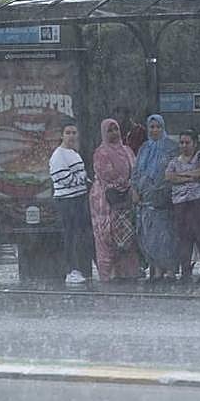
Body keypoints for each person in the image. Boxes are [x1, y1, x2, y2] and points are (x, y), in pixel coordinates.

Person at [89, 118, 140, 281]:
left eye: (116, 129)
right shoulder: (101, 153)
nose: (114, 133)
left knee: (126, 234)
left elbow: (135, 171)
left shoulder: (127, 150)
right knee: (106, 235)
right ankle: (108, 274)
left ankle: (127, 272)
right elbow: (107, 175)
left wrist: (129, 188)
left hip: (127, 198)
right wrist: (123, 186)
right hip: (105, 199)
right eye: (109, 130)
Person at [132, 114, 180, 282]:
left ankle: (170, 270)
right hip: (146, 200)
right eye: (151, 127)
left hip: (164, 199)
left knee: (166, 236)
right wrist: (136, 190)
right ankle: (157, 269)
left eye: (158, 127)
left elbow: (174, 170)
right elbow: (136, 172)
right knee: (149, 235)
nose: (155, 130)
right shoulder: (144, 148)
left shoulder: (171, 147)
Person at [165, 130, 200, 283]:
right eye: (181, 142)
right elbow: (169, 176)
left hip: (198, 203)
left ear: (195, 143)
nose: (184, 145)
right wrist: (192, 175)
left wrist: (182, 176)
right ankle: (185, 272)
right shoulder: (174, 161)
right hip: (180, 204)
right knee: (184, 239)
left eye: (187, 142)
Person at [50, 122, 90, 285]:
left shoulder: (74, 153)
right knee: (70, 236)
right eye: (68, 132)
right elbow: (63, 179)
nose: (71, 136)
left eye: (74, 132)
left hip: (79, 199)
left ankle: (80, 268)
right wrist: (82, 180)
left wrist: (85, 181)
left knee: (80, 235)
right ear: (61, 135)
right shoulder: (58, 155)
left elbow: (81, 173)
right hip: (67, 201)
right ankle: (71, 270)